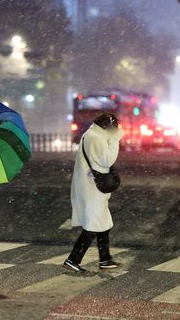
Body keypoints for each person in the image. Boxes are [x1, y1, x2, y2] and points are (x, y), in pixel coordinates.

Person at [63, 113, 124, 272]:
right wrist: (115, 140)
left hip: (91, 186)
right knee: (93, 225)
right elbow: (107, 160)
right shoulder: (95, 138)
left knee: (102, 222)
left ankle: (105, 259)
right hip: (92, 188)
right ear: (108, 127)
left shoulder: (93, 135)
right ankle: (73, 259)